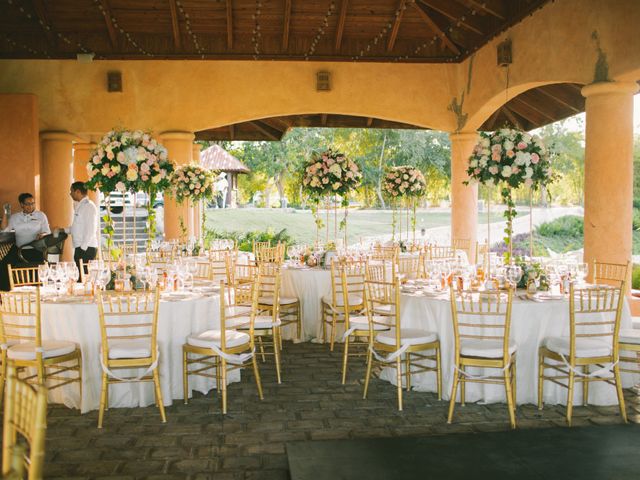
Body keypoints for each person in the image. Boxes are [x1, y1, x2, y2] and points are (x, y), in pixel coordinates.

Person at [1, 193, 50, 263]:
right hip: (19, 250)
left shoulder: (41, 215)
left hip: (35, 250)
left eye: (33, 203)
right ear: (22, 204)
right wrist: (5, 212)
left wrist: (42, 235)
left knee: (34, 271)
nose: (31, 206)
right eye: (28, 204)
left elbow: (47, 232)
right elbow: (4, 230)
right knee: (3, 266)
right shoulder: (15, 217)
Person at [60, 181, 98, 269]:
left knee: (84, 277)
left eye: (71, 191)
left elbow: (91, 229)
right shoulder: (80, 206)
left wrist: (83, 248)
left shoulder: (88, 206)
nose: (70, 194)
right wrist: (63, 230)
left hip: (87, 248)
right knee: (81, 277)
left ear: (77, 191)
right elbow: (77, 227)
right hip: (81, 247)